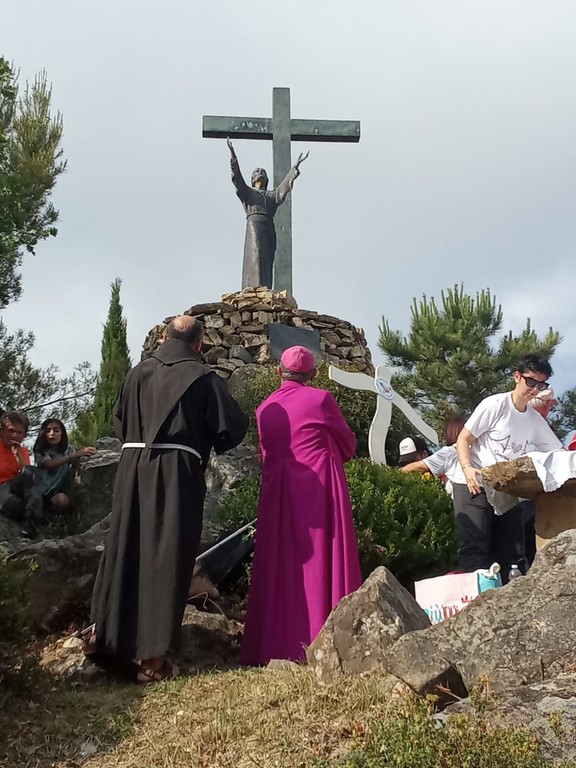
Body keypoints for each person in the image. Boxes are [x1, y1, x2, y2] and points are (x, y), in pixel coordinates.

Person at [88, 316, 249, 683]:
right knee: (168, 557)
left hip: (132, 470)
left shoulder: (136, 374)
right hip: (177, 473)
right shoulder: (203, 377)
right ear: (199, 344)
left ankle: (107, 639)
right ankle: (153, 659)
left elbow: (119, 422)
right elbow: (232, 429)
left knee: (125, 548)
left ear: (164, 337)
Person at [241, 345, 362, 666]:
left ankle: (273, 644)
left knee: (280, 564)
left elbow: (265, 454)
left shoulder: (264, 408)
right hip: (318, 492)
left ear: (279, 372)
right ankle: (326, 638)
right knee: (322, 560)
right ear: (313, 374)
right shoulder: (321, 400)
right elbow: (347, 444)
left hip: (278, 495)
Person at [455, 354, 562, 578]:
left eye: (541, 385)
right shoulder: (495, 405)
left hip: (506, 488)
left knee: (512, 554)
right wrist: (467, 468)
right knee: (476, 550)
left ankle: (509, 598)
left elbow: (559, 452)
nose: (535, 389)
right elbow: (464, 438)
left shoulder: (534, 420)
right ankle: (475, 598)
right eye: (531, 382)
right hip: (473, 482)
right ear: (517, 377)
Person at [227, 138, 309, 289]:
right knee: (254, 255)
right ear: (252, 179)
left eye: (262, 172)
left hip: (268, 231)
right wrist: (233, 157)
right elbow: (237, 179)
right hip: (254, 228)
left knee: (266, 259)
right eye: (257, 172)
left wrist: (294, 168)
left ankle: (264, 286)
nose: (260, 174)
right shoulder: (248, 193)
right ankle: (253, 287)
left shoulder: (271, 196)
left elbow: (283, 188)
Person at [33, 418, 96, 510]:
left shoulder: (68, 449)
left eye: (56, 431)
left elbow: (76, 461)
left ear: (62, 433)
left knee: (64, 500)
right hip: (43, 491)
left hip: (60, 489)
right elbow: (50, 464)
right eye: (48, 431)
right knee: (60, 500)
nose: (52, 433)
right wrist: (73, 455)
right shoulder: (40, 451)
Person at [0, 411, 43, 537]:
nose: (14, 435)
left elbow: (27, 475)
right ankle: (35, 514)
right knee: (17, 506)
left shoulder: (22, 451)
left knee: (31, 471)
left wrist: (18, 455)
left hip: (14, 486)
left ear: (24, 435)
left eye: (19, 432)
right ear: (2, 431)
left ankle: (29, 524)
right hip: (1, 488)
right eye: (11, 430)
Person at [401, 417, 467, 497]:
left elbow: (409, 469)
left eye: (413, 460)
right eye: (405, 463)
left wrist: (395, 474)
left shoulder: (448, 453)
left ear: (425, 454)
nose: (410, 464)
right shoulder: (477, 451)